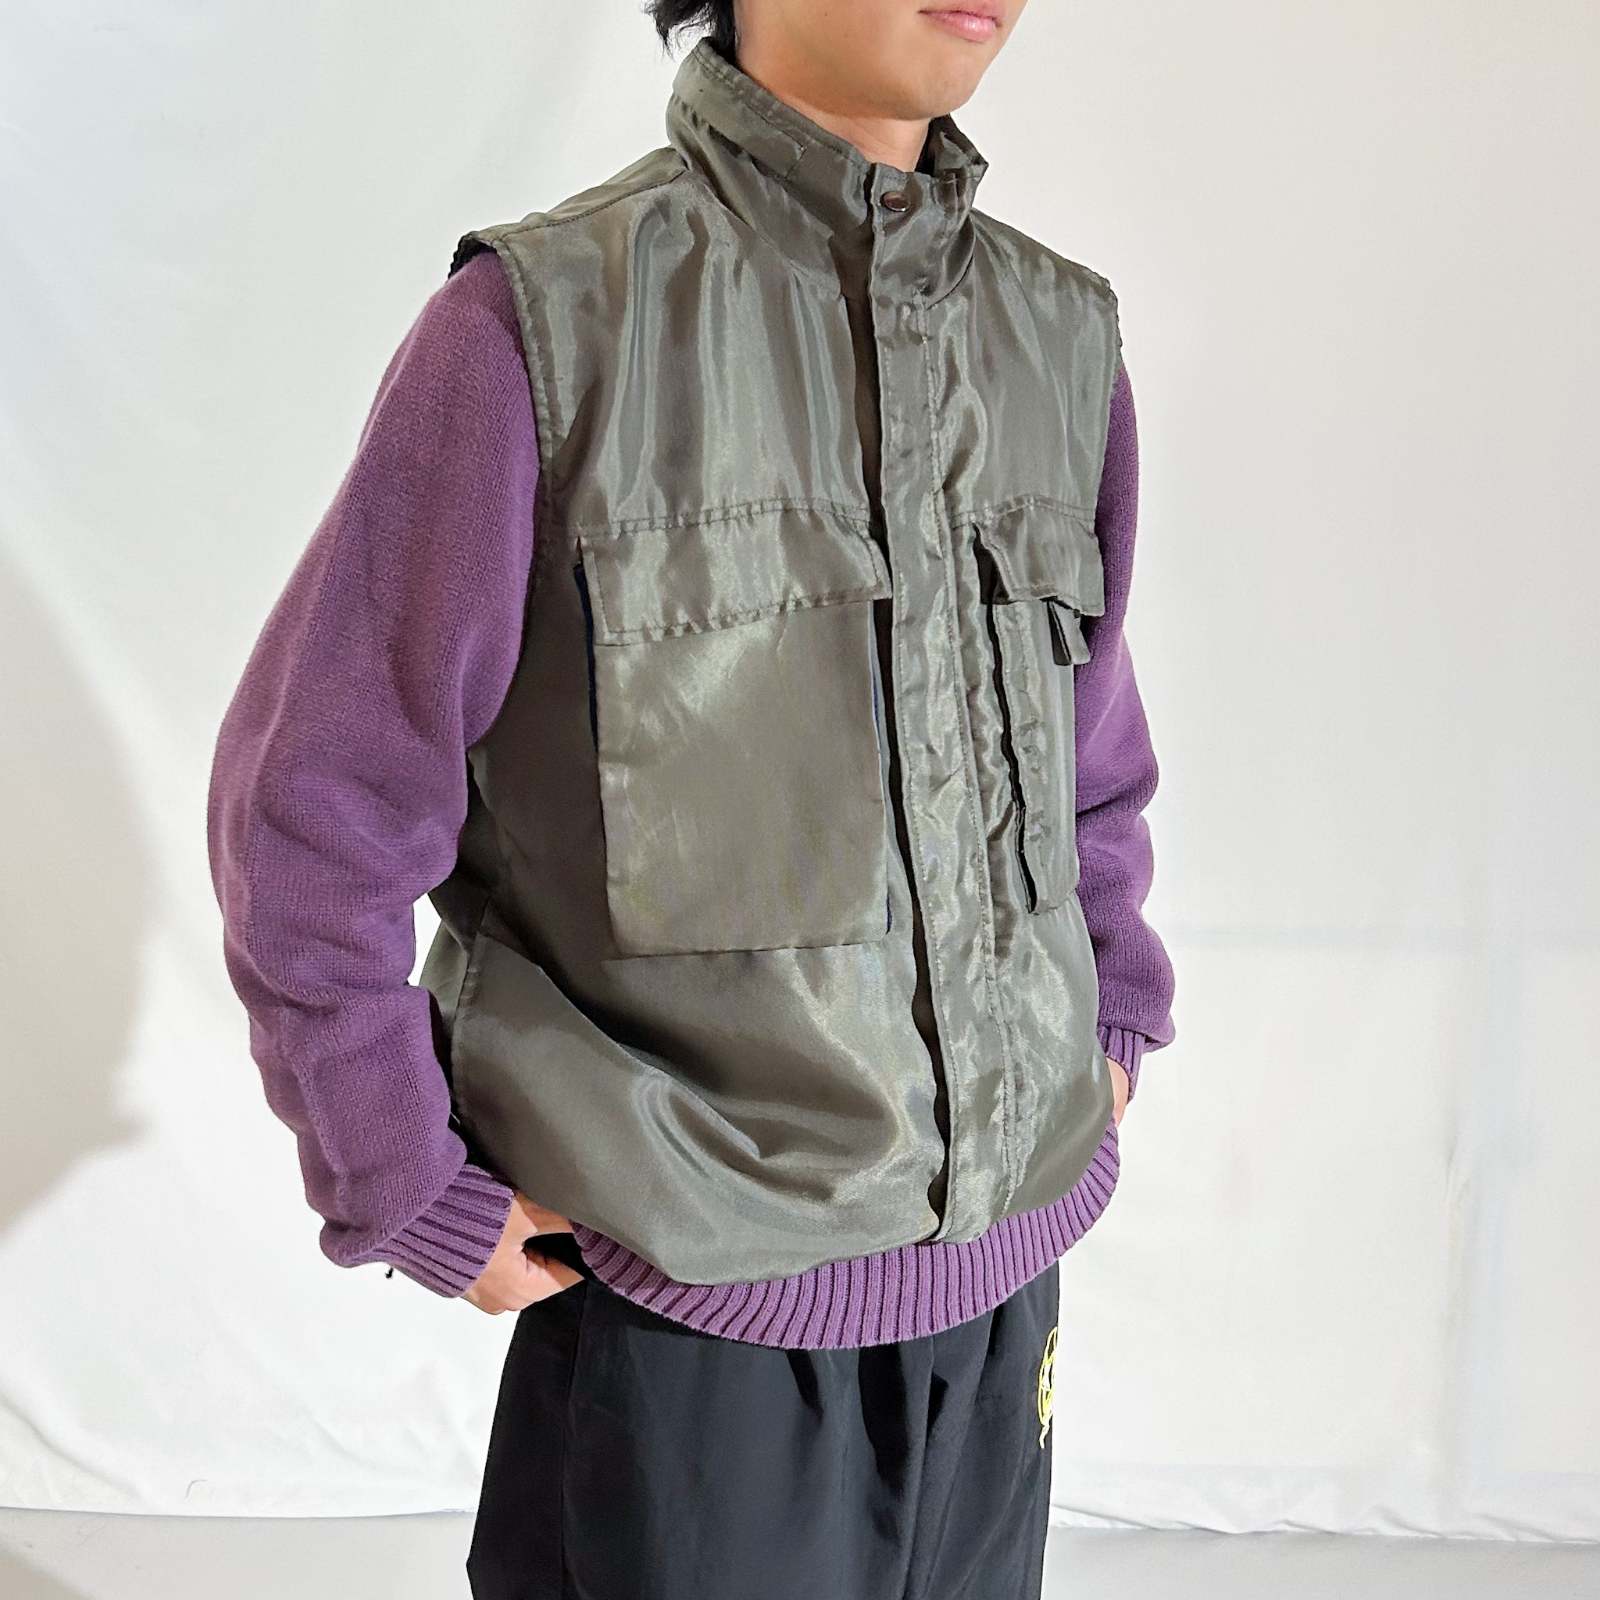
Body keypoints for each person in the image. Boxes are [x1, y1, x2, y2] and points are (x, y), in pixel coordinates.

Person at [206, 1, 1176, 1594]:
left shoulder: (1060, 339)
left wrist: (1115, 1011)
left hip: (1011, 1293)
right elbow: (312, 808)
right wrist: (397, 1173)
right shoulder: (541, 330)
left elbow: (1095, 756)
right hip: (686, 1321)